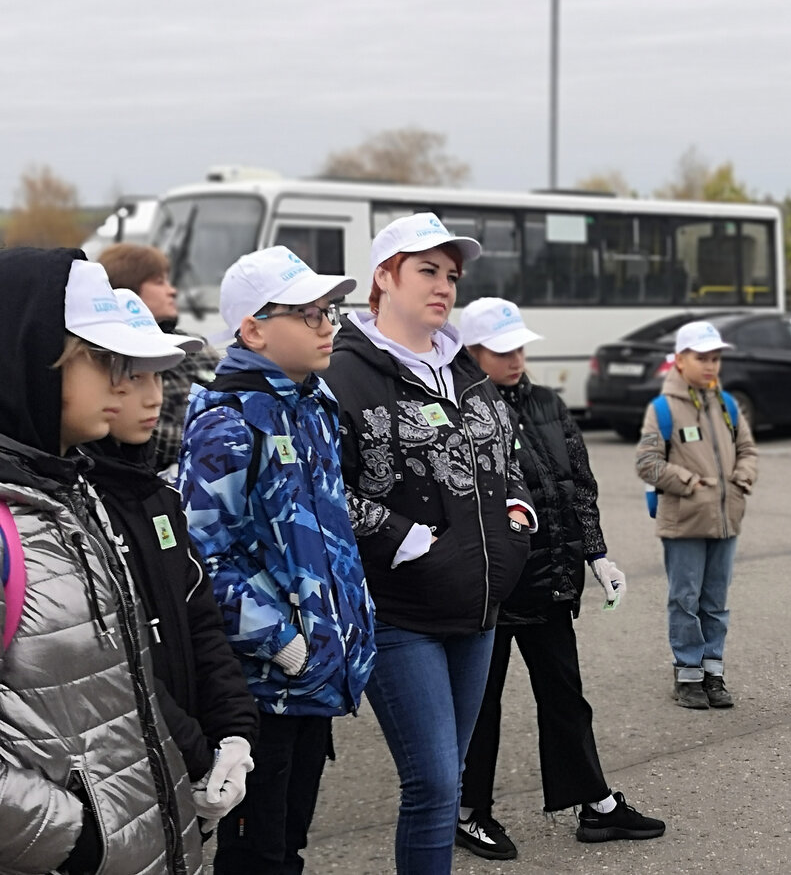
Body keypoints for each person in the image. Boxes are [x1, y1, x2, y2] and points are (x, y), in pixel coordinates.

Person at [322, 214, 534, 874]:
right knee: (436, 783)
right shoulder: (341, 372)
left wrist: (519, 519)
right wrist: (410, 540)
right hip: (400, 614)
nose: (443, 287)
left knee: (448, 780)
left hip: (477, 611)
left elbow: (510, 453)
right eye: (427, 271)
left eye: (451, 275)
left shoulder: (466, 370)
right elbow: (323, 488)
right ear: (384, 277)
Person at [0, 249, 204, 874]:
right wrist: (73, 838)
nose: (124, 385)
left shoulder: (73, 490)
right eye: (102, 360)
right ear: (30, 357)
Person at [176, 246, 376, 874]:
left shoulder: (312, 405)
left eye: (330, 312)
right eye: (309, 313)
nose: (328, 326)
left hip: (316, 669)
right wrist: (275, 635)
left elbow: (328, 534)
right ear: (254, 329)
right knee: (254, 853)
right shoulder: (228, 420)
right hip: (265, 682)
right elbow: (202, 551)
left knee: (288, 842)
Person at [455, 297, 667, 860]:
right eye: (501, 350)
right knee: (481, 704)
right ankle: (468, 810)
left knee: (565, 696)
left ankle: (594, 803)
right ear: (470, 352)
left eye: (520, 347)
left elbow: (578, 486)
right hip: (490, 588)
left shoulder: (547, 403)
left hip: (550, 580)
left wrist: (597, 556)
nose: (516, 358)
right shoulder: (456, 409)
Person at [84, 288, 260, 834]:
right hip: (122, 781)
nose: (153, 396)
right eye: (133, 376)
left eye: (159, 377)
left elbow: (199, 619)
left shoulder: (158, 496)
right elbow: (115, 668)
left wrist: (235, 732)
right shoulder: (79, 504)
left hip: (183, 767)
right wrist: (198, 757)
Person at [634, 320, 758, 710]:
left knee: (716, 600)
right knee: (685, 599)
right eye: (702, 358)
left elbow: (748, 451)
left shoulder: (727, 404)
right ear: (680, 360)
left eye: (716, 358)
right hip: (684, 522)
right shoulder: (663, 409)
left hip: (725, 520)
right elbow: (647, 463)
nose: (710, 366)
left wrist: (742, 478)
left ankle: (713, 672)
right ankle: (687, 673)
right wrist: (688, 482)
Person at [98, 242, 223, 476]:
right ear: (129, 289)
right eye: (159, 282)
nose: (172, 290)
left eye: (157, 374)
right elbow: (140, 429)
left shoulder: (198, 346)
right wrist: (216, 441)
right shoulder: (109, 354)